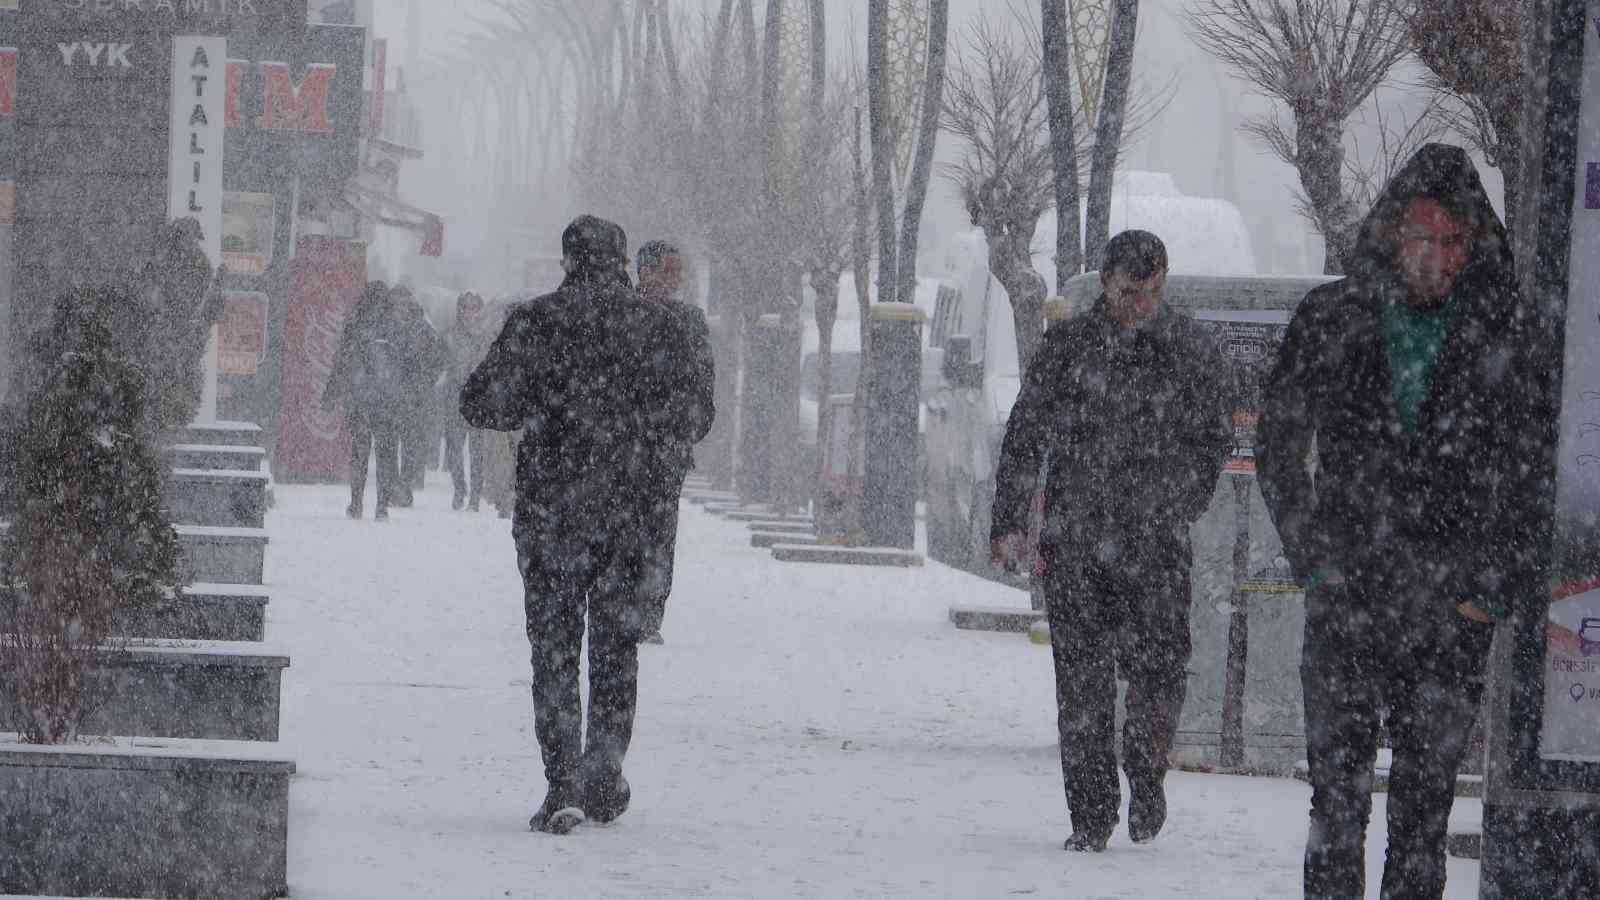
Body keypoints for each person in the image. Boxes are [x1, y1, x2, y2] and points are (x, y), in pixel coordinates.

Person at [1256, 144, 1551, 899]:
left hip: (1450, 610)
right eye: (1426, 239)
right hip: (1349, 596)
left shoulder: (1504, 331)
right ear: (1393, 234)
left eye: (1456, 243)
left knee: (1424, 813)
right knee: (1337, 804)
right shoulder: (1334, 317)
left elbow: (1533, 469)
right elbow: (1280, 445)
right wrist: (1316, 561)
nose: (1441, 259)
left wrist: (1491, 587)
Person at [461, 216, 715, 835]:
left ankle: (562, 782)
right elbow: (697, 417)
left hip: (554, 513)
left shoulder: (536, 321)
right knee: (615, 645)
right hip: (634, 516)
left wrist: (547, 405)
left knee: (552, 651)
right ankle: (604, 767)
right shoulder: (670, 326)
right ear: (623, 261)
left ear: (567, 260)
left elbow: (481, 403)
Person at [989, 230, 1233, 853]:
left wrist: (1180, 501)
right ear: (1106, 284)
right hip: (1075, 544)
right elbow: (1026, 433)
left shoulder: (1189, 350)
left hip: (1156, 544)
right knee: (1082, 685)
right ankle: (1090, 816)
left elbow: (1213, 438)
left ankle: (1147, 771)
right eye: (1130, 292)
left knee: (1158, 673)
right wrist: (1010, 519)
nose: (1141, 304)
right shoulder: (1069, 347)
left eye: (1154, 291)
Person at [633, 240, 716, 646]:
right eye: (666, 271)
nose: (673, 281)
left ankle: (649, 613)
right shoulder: (623, 314)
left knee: (660, 533)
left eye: (676, 273)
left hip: (666, 450)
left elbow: (704, 388)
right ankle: (620, 602)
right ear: (643, 272)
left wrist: (684, 429)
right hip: (622, 449)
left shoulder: (689, 321)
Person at [322, 282, 404, 521]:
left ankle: (356, 503)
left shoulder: (355, 325)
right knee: (386, 454)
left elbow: (342, 363)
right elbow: (407, 365)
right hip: (387, 401)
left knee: (359, 452)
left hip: (359, 399)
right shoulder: (394, 327)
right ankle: (382, 506)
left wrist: (330, 393)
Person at [388, 287, 448, 507]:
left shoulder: (422, 329)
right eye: (397, 304)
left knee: (411, 442)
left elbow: (441, 356)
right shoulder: (388, 327)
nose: (400, 308)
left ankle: (403, 484)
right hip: (395, 394)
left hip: (414, 395)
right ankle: (397, 484)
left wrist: (427, 378)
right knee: (393, 442)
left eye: (404, 304)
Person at [442, 291, 493, 511]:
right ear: (459, 310)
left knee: (476, 451)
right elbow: (440, 363)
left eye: (473, 308)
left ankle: (474, 496)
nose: (469, 313)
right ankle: (459, 489)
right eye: (465, 308)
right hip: (454, 396)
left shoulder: (487, 338)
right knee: (454, 448)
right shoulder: (449, 335)